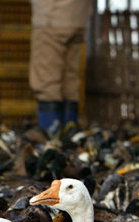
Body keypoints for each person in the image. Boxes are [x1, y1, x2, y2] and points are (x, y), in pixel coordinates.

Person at [29, 0, 92, 137]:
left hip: (51, 18)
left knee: (47, 79)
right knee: (70, 77)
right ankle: (70, 133)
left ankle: (51, 135)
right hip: (78, 19)